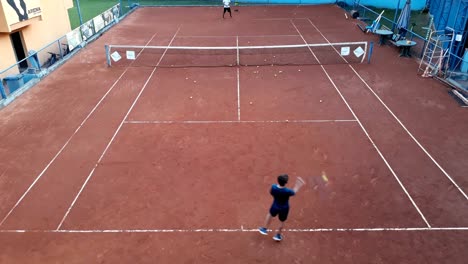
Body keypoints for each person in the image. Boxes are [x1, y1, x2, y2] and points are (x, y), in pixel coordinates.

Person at [259, 174, 305, 241]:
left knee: (270, 215)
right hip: (284, 208)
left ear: (278, 180)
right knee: (282, 221)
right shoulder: (287, 191)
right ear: (285, 183)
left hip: (275, 205)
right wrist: (298, 184)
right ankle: (277, 235)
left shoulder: (274, 187)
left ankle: (264, 229)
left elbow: (271, 193)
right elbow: (294, 192)